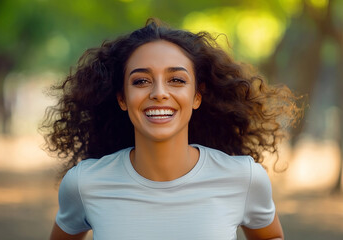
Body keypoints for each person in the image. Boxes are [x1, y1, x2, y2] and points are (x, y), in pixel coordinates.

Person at [42, 18, 300, 240]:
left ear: (197, 96)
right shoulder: (84, 183)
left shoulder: (245, 178)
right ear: (122, 98)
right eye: (141, 81)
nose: (159, 93)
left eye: (176, 80)